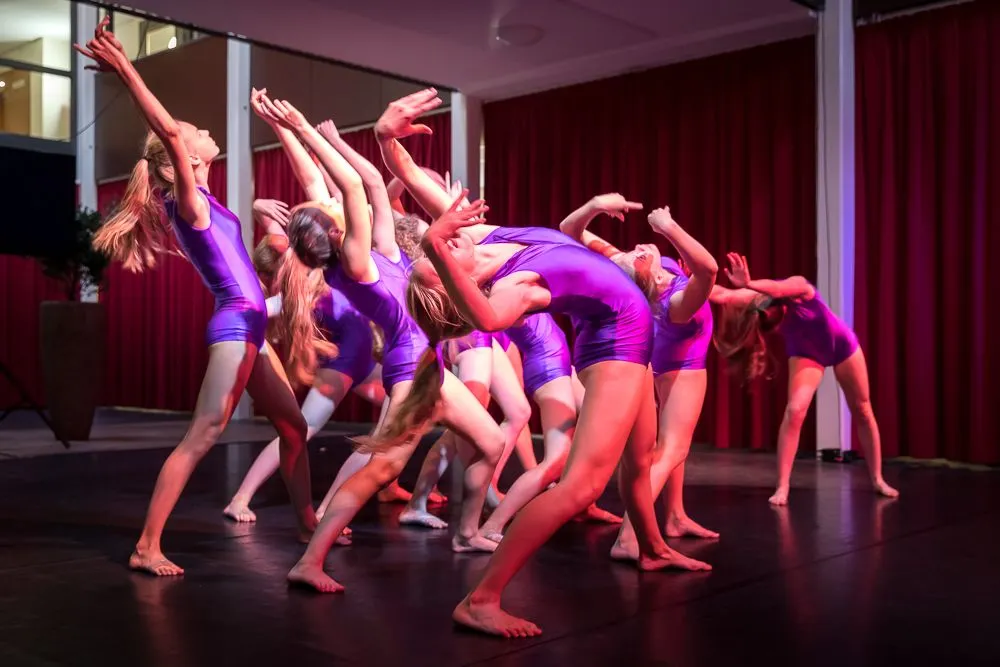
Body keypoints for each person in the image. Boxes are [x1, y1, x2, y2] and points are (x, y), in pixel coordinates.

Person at [376, 88, 711, 638]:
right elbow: (485, 318)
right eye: (435, 260)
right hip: (617, 347)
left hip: (633, 339)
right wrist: (437, 249)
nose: (440, 245)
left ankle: (650, 547)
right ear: (455, 280)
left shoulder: (489, 238)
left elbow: (413, 179)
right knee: (581, 484)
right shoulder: (517, 287)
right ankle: (481, 598)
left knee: (640, 456)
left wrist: (386, 138)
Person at [77, 19, 315, 575]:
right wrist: (126, 70)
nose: (203, 130)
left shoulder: (210, 202)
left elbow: (235, 255)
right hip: (235, 327)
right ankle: (146, 546)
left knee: (294, 427)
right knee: (204, 433)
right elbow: (164, 125)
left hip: (253, 327)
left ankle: (309, 522)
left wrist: (256, 213)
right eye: (190, 132)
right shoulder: (189, 200)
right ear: (178, 155)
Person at [252, 92, 504, 593]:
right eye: (329, 215)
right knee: (381, 470)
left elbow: (367, 183)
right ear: (330, 234)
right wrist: (310, 129)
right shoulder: (355, 265)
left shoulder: (382, 252)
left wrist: (325, 137)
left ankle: (467, 533)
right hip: (409, 371)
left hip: (429, 364)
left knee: (493, 442)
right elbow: (354, 183)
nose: (340, 211)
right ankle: (310, 559)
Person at [558, 196, 720, 559]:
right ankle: (632, 537)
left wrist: (594, 206)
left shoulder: (644, 270)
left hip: (660, 354)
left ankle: (675, 516)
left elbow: (571, 232)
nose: (634, 249)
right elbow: (708, 271)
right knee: (674, 447)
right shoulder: (674, 302)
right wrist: (668, 228)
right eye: (635, 254)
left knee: (666, 443)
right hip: (683, 362)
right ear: (651, 277)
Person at [711, 252, 899, 505]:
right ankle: (782, 486)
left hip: (842, 347)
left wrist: (748, 282)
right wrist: (687, 281)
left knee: (863, 409)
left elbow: (777, 287)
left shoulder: (799, 287)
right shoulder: (762, 301)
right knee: (795, 410)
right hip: (806, 354)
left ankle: (877, 478)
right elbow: (723, 295)